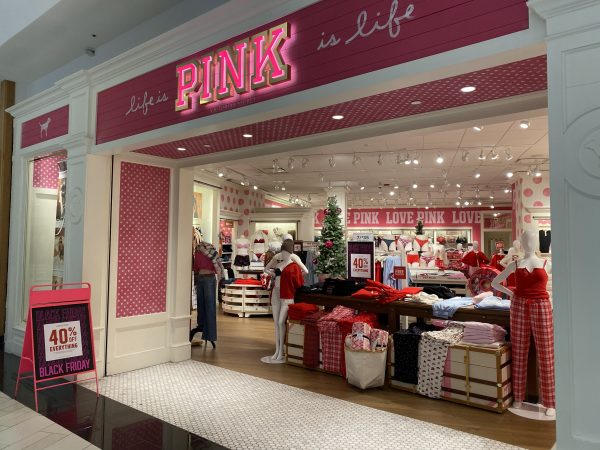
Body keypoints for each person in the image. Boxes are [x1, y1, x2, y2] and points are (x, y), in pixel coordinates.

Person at [491, 230, 555, 416]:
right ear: (521, 242)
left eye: (532, 239)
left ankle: (550, 401)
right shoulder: (515, 264)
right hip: (519, 305)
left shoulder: (547, 264)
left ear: (537, 242)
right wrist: (511, 294)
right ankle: (518, 396)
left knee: (546, 352)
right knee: (519, 351)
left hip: (541, 305)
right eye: (526, 239)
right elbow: (495, 283)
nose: (529, 243)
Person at [261, 238, 308, 363]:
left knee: (281, 322)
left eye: (286, 252)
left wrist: (291, 279)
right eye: (283, 252)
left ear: (290, 252)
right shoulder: (278, 262)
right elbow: (267, 269)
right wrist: (274, 275)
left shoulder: (294, 263)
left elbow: (301, 277)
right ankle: (278, 350)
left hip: (287, 296)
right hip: (276, 293)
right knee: (276, 323)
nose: (284, 254)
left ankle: (281, 350)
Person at [191, 233, 225, 349]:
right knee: (205, 306)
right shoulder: (208, 252)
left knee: (206, 306)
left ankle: (206, 331)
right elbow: (218, 267)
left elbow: (196, 267)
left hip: (205, 279)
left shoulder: (201, 252)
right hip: (206, 279)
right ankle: (205, 331)